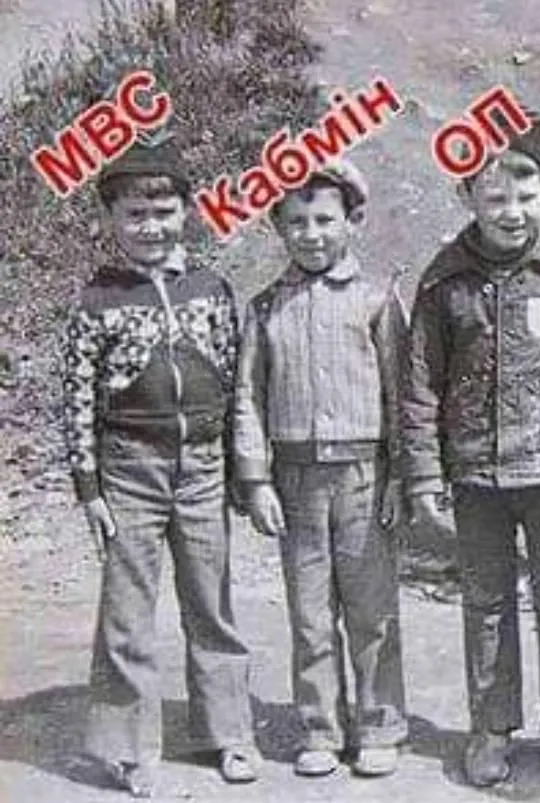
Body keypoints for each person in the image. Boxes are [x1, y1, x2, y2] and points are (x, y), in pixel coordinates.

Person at [401, 111, 540, 790]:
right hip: (475, 476)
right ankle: (492, 726)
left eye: (526, 195)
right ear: (466, 197)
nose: (512, 210)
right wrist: (425, 474)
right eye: (495, 196)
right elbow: (420, 384)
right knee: (486, 604)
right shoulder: (443, 283)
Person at [60, 136, 260, 798]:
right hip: (129, 471)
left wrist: (240, 470)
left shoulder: (211, 289)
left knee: (211, 602)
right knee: (127, 613)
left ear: (187, 212)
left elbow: (235, 384)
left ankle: (229, 733)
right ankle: (129, 750)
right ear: (111, 221)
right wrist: (88, 487)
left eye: (164, 212)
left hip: (201, 467)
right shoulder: (97, 299)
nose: (152, 227)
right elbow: (76, 399)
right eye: (136, 215)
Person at [232, 160, 410, 778]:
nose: (311, 234)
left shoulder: (377, 299)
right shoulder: (265, 308)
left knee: (370, 610)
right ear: (278, 227)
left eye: (325, 220)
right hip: (295, 480)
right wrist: (255, 479)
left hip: (364, 476)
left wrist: (400, 476)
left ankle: (379, 726)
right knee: (310, 614)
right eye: (297, 222)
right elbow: (248, 398)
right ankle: (320, 729)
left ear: (351, 221)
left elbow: (402, 394)